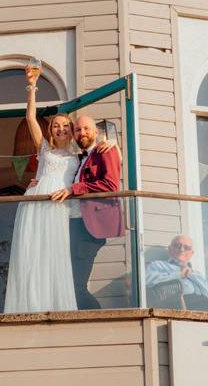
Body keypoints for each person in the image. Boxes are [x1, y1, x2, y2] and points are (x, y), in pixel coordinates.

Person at [3, 64, 115, 313]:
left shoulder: (79, 153)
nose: (61, 128)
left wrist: (113, 142)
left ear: (72, 131)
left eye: (66, 125)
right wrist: (32, 87)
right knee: (36, 254)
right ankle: (32, 304)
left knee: (58, 256)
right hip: (40, 202)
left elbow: (96, 149)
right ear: (51, 129)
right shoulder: (43, 148)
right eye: (56, 125)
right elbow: (30, 118)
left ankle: (58, 305)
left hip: (64, 207)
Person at [51, 116, 124, 309]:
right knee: (67, 286)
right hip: (73, 224)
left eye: (86, 129)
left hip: (88, 229)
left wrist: (73, 189)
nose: (82, 133)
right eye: (77, 130)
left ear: (96, 131)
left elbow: (111, 185)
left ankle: (101, 323)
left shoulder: (105, 150)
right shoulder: (81, 158)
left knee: (77, 288)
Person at [146, 235, 208, 308]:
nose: (181, 249)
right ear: (170, 249)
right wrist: (178, 274)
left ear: (191, 253)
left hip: (202, 307)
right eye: (177, 245)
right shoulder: (158, 265)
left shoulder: (197, 274)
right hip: (175, 308)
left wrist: (191, 274)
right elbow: (147, 280)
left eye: (186, 247)